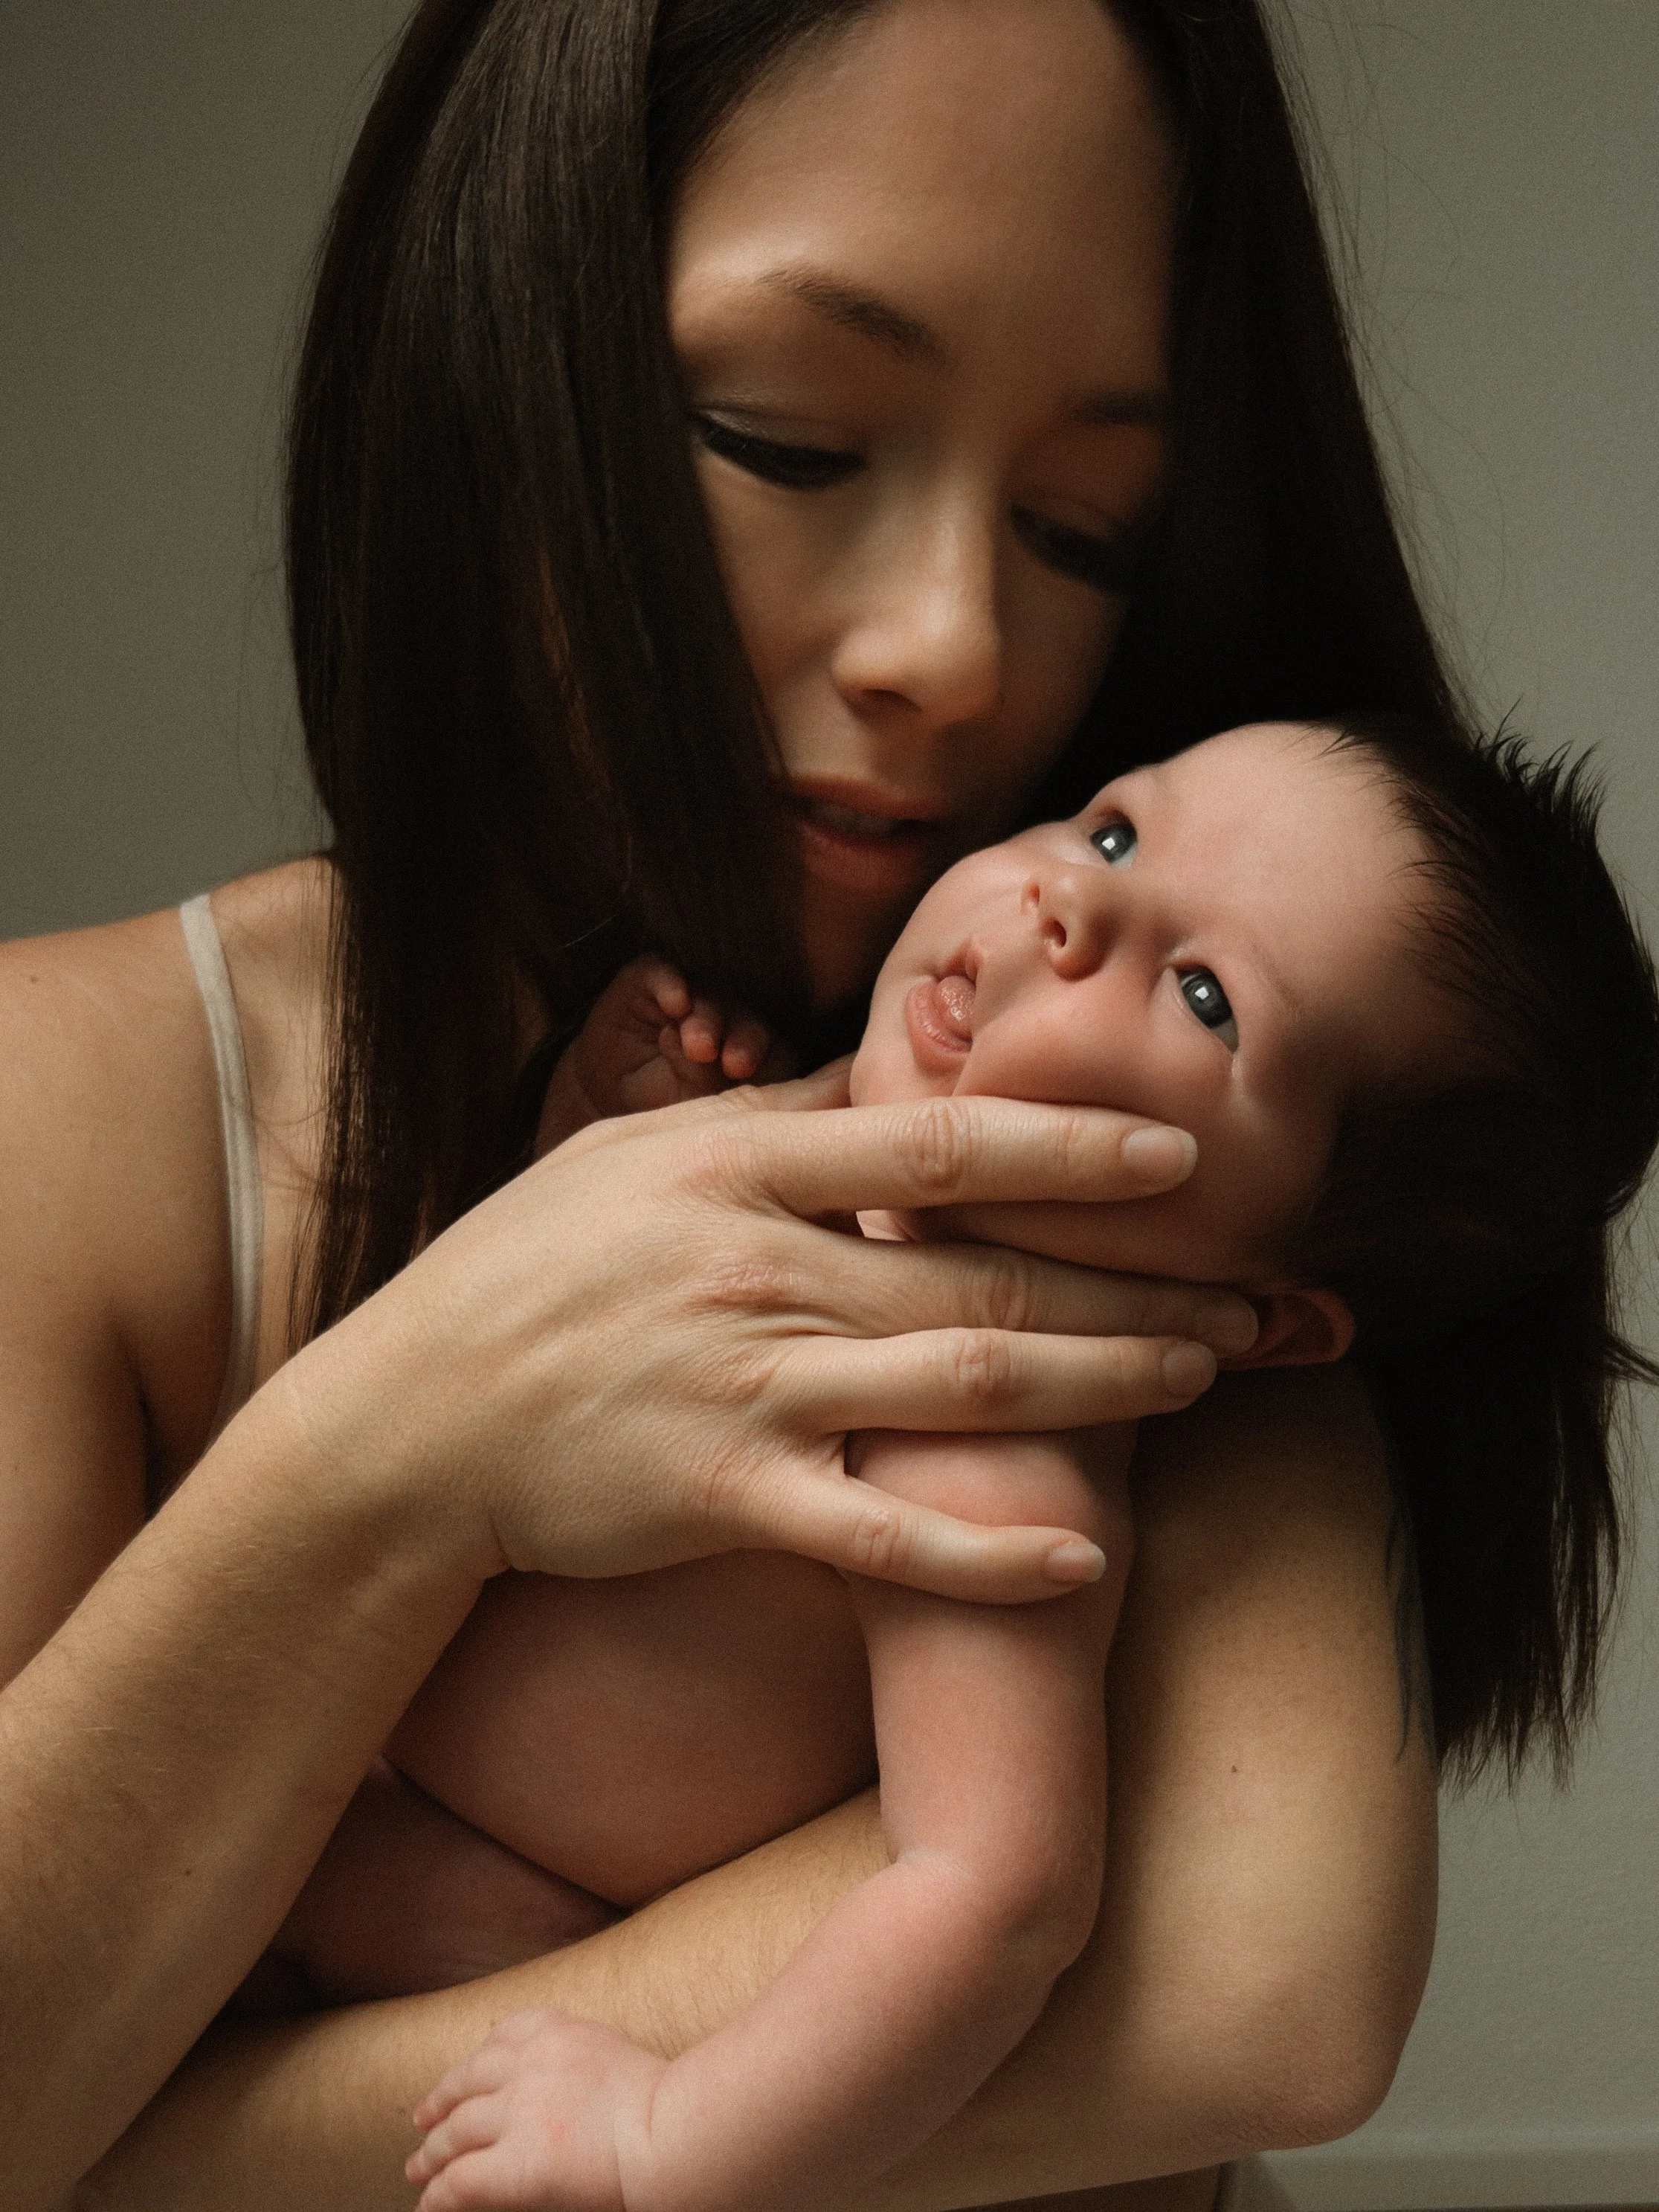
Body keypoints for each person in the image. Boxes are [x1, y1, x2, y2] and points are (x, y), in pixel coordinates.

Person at [1, 2, 1587, 2208]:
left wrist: (146, 2154)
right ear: (490, 361)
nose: (952, 650)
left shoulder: (1140, 1259)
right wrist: (402, 1431)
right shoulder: (75, 1103)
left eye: (1082, 528)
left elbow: (1259, 1984)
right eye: (790, 440)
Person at [280, 714, 1647, 2212]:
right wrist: (596, 1141)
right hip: (350, 1781)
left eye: (1203, 994)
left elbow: (990, 1899)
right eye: (1114, 831)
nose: (1071, 902)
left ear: (1269, 1314)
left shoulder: (984, 1450)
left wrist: (658, 2136)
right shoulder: (816, 1164)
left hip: (505, 1920)